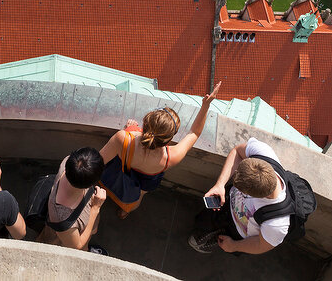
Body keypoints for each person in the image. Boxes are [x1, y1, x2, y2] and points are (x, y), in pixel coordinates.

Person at [99, 82, 221, 218]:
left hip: (125, 166)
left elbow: (98, 160)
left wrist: (129, 129)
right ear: (168, 140)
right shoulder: (171, 156)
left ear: (145, 123)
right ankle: (125, 211)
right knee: (140, 195)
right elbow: (194, 133)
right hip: (150, 178)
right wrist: (206, 105)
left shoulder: (123, 138)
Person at [189, 137, 288, 254]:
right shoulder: (264, 153)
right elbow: (237, 151)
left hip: (236, 231)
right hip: (227, 202)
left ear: (250, 195)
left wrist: (233, 246)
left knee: (218, 237)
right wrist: (220, 184)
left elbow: (261, 245)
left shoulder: (277, 224)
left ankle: (207, 240)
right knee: (203, 221)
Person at [38, 147, 108, 253]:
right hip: (65, 238)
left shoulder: (69, 163)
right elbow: (77, 245)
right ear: (90, 184)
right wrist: (95, 208)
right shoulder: (62, 217)